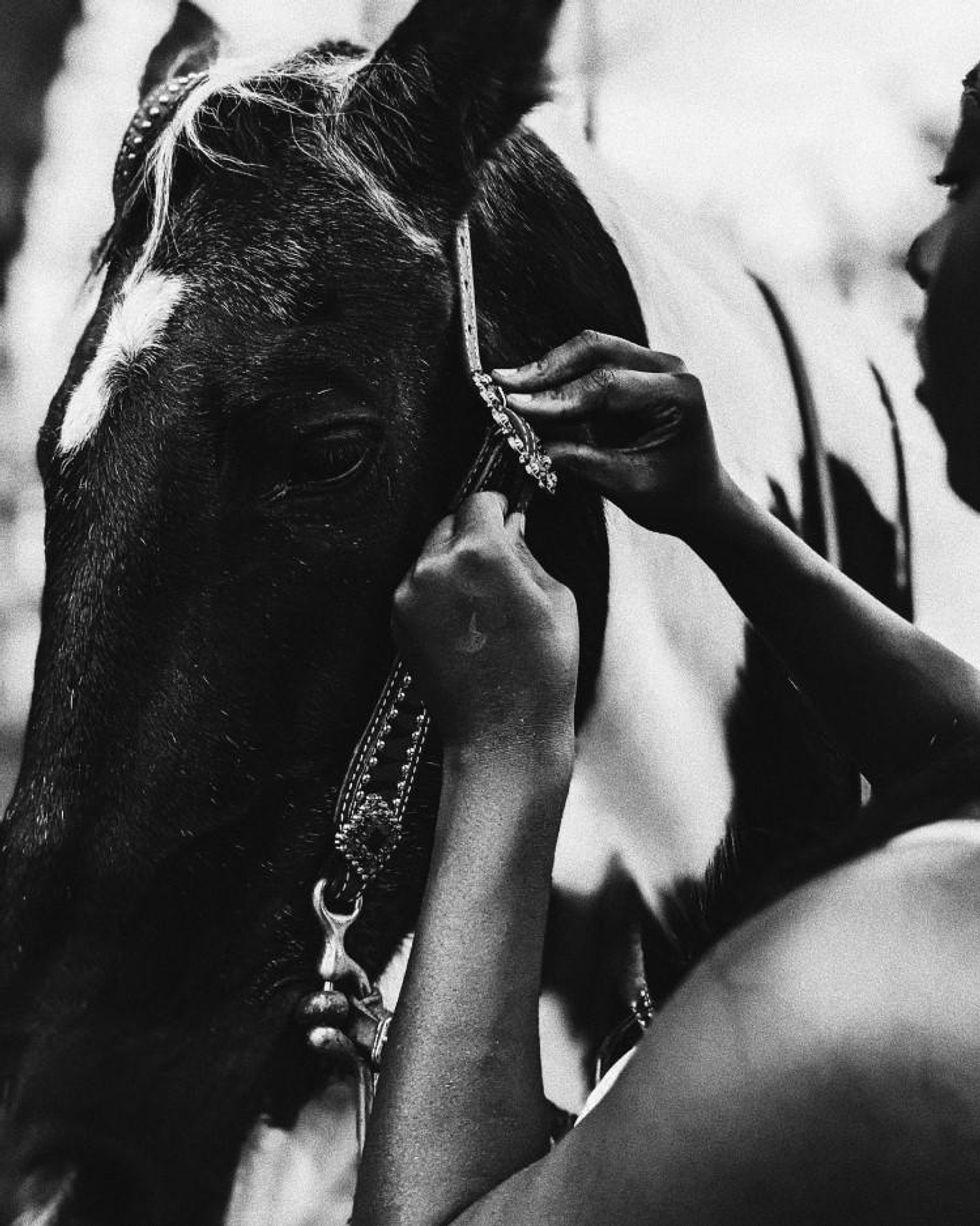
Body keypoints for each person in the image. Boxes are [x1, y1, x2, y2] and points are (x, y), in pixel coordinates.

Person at [347, 70, 980, 1226]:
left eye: (966, 181)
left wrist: (505, 744)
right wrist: (715, 514)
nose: (921, 251)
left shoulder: (848, 992)